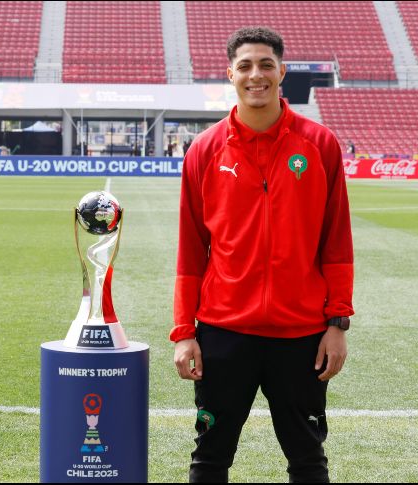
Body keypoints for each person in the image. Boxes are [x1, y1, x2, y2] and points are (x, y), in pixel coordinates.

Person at [171, 26, 353, 483]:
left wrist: (337, 323)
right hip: (223, 333)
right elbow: (190, 252)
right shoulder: (204, 151)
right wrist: (182, 332)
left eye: (266, 65)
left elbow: (337, 244)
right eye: (246, 66)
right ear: (230, 74)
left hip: (302, 335)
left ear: (282, 72)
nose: (257, 75)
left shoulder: (320, 145)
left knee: (308, 460)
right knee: (209, 459)